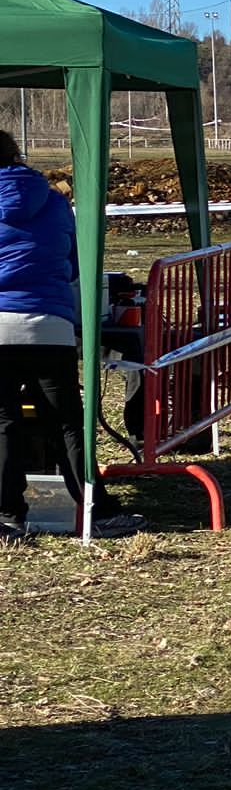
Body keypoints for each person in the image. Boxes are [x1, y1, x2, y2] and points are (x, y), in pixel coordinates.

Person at [0, 130, 141, 542]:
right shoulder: (57, 203)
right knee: (66, 423)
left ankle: (8, 515)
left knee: (4, 422)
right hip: (53, 325)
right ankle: (95, 510)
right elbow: (75, 267)